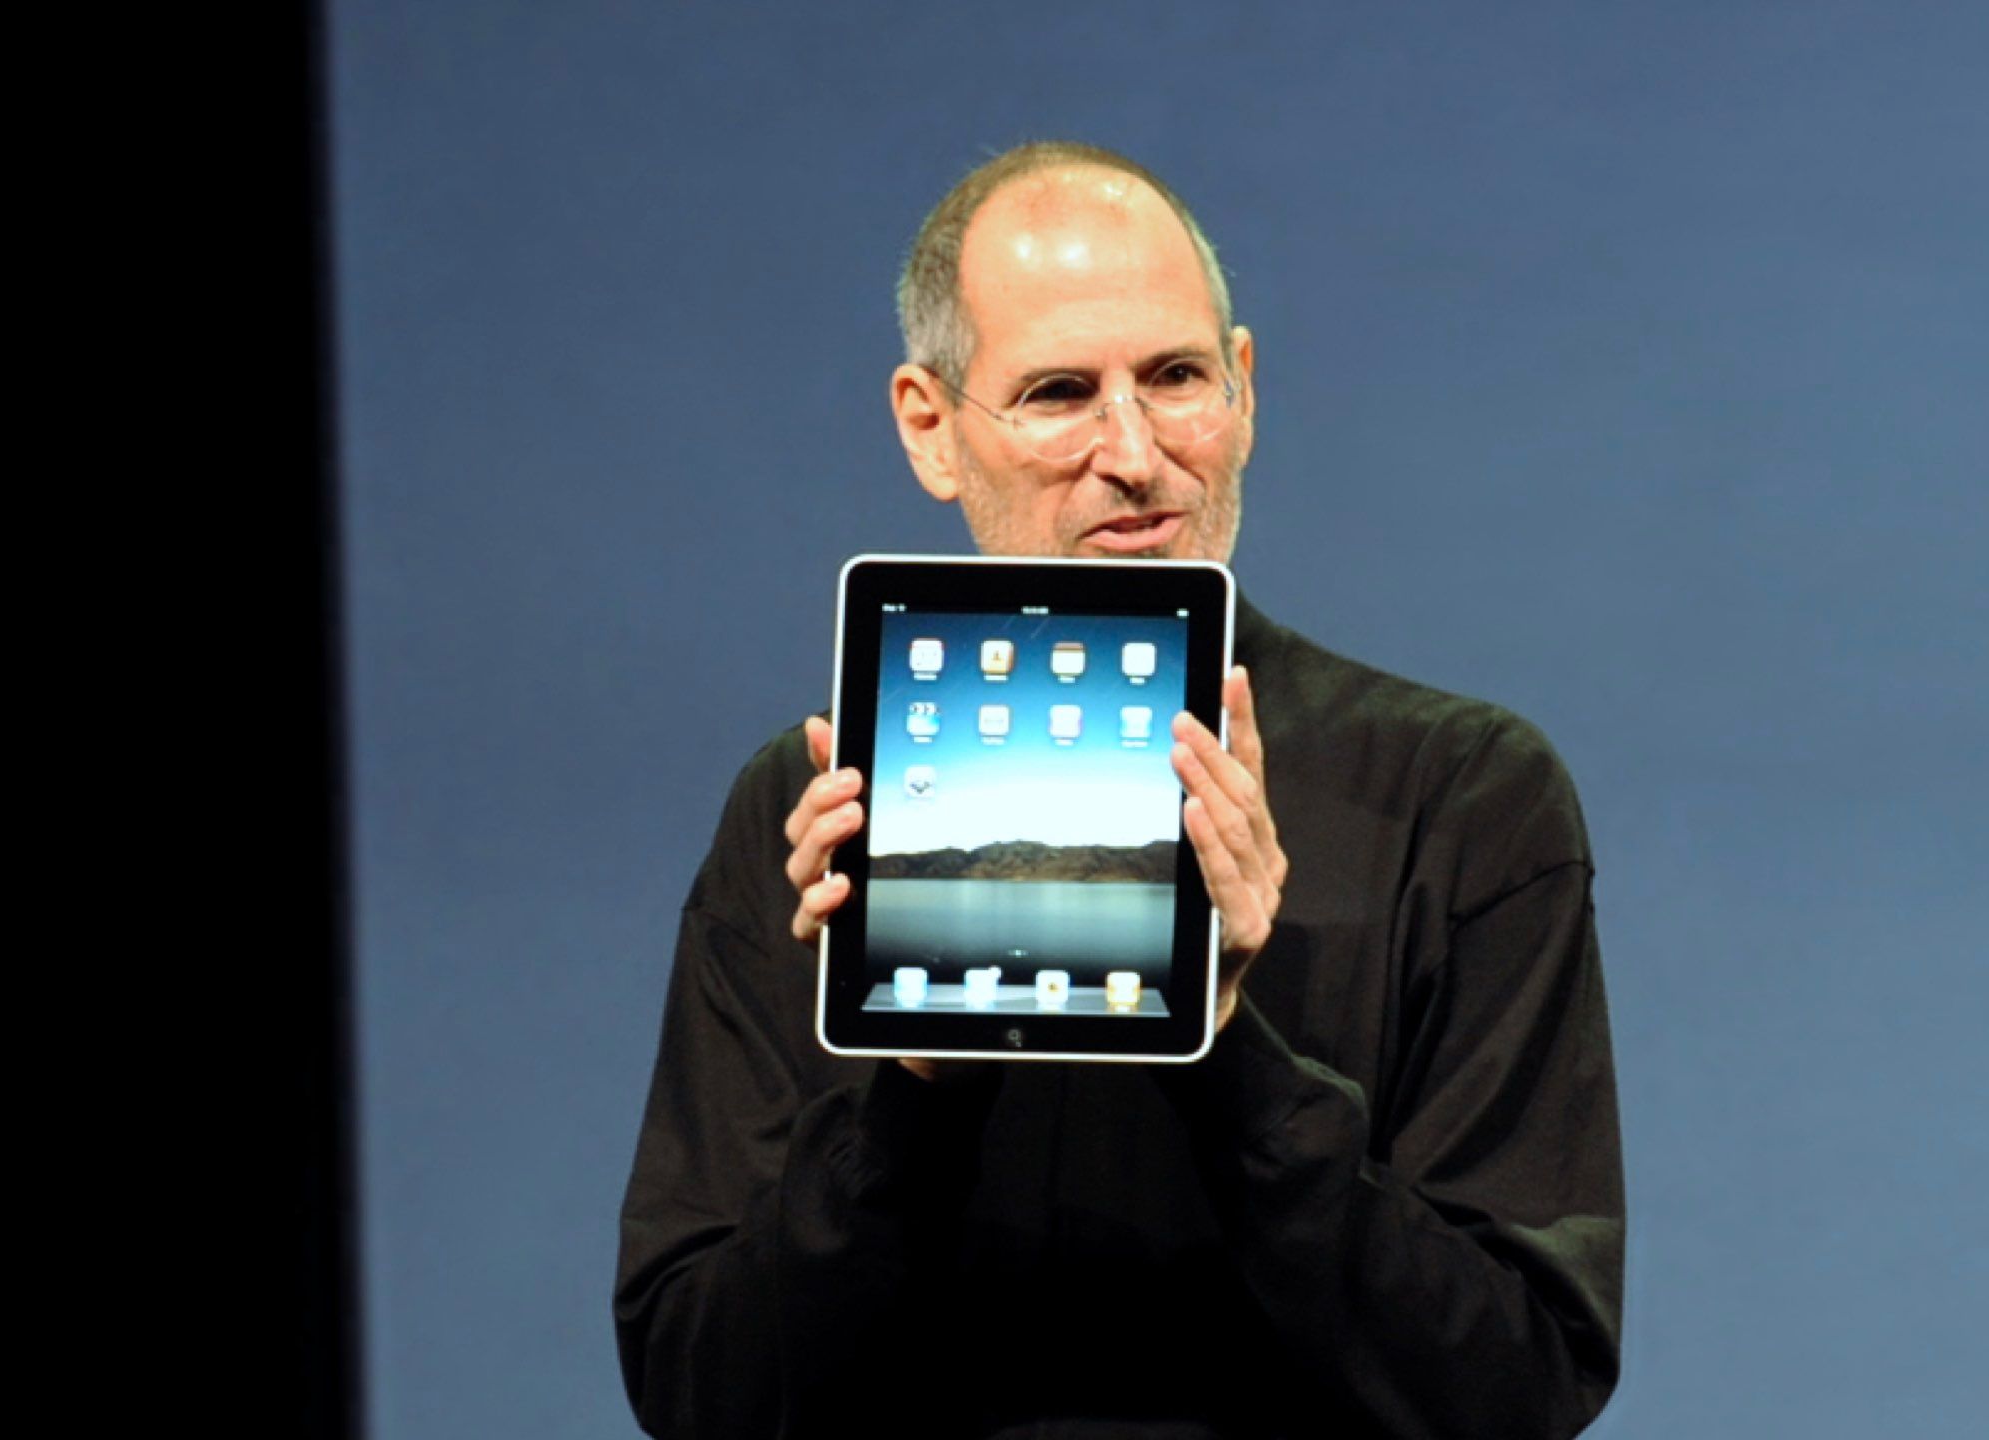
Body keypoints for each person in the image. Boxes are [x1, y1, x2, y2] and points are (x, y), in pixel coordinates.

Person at [616, 142, 1624, 1439]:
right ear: (931, 428)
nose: (1134, 454)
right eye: (1056, 392)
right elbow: (704, 1394)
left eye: (1175, 378)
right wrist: (914, 1084)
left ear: (1245, 391)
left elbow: (1515, 1389)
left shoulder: (1464, 796)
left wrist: (1225, 1049)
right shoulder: (809, 814)